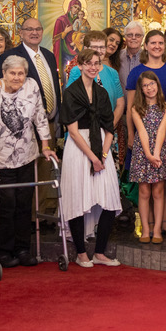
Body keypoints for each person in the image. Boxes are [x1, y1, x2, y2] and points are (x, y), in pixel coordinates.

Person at [0, 55, 56, 270]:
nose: (17, 77)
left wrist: (46, 146)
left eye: (21, 73)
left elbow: (40, 116)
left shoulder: (31, 86)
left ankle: (23, 249)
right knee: (6, 205)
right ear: (4, 73)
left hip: (26, 155)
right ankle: (4, 251)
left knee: (24, 204)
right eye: (12, 73)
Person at [59, 48, 123, 267]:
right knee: (77, 199)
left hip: (101, 145)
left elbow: (109, 127)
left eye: (97, 63)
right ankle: (81, 253)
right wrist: (92, 158)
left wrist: (103, 156)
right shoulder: (71, 92)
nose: (93, 67)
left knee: (109, 200)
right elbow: (73, 131)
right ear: (80, 65)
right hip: (79, 149)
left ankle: (100, 252)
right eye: (89, 63)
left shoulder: (102, 93)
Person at [130, 70, 166, 244]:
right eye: (145, 85)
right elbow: (141, 132)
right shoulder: (136, 108)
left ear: (157, 85)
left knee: (158, 190)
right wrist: (148, 154)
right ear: (141, 89)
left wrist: (156, 154)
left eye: (152, 84)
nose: (149, 88)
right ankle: (146, 229)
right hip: (142, 152)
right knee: (144, 191)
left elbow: (162, 130)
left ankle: (157, 230)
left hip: (159, 151)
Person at [7, 18, 61, 137]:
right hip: (23, 127)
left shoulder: (49, 56)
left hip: (50, 124)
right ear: (21, 33)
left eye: (38, 29)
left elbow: (55, 87)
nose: (34, 33)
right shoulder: (10, 56)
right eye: (29, 29)